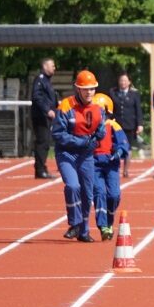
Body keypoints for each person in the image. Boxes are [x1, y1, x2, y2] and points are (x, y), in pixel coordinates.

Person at [52, 70, 106, 242]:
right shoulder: (66, 106)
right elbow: (58, 134)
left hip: (86, 155)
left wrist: (96, 140)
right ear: (78, 89)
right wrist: (81, 141)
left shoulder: (99, 107)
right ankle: (74, 223)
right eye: (85, 89)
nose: (89, 92)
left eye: (92, 89)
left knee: (87, 194)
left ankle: (83, 231)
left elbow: (101, 130)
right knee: (73, 186)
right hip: (66, 153)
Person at [91, 93, 130, 241]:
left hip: (111, 165)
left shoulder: (113, 125)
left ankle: (109, 219)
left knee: (114, 195)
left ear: (107, 111)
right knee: (99, 192)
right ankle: (103, 226)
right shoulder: (90, 126)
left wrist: (118, 153)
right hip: (94, 165)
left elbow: (123, 144)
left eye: (100, 110)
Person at [110, 71, 143, 178]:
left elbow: (138, 110)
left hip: (130, 125)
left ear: (129, 82)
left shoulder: (134, 94)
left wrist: (140, 124)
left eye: (125, 80)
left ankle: (126, 170)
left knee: (128, 148)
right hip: (116, 125)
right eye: (121, 80)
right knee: (115, 147)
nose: (123, 82)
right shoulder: (113, 92)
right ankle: (115, 169)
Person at [30, 58, 59, 179]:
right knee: (43, 142)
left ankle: (41, 168)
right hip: (41, 117)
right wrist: (47, 110)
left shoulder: (47, 81)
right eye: (52, 65)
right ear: (45, 66)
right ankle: (40, 170)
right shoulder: (40, 80)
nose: (54, 68)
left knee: (45, 142)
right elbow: (37, 97)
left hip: (46, 117)